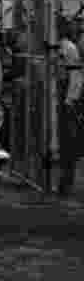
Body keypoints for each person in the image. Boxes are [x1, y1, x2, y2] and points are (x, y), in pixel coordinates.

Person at [57, 17, 84, 195]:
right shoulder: (61, 47)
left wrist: (70, 99)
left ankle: (66, 181)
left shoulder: (68, 48)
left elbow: (76, 77)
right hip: (59, 98)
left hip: (67, 99)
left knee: (68, 141)